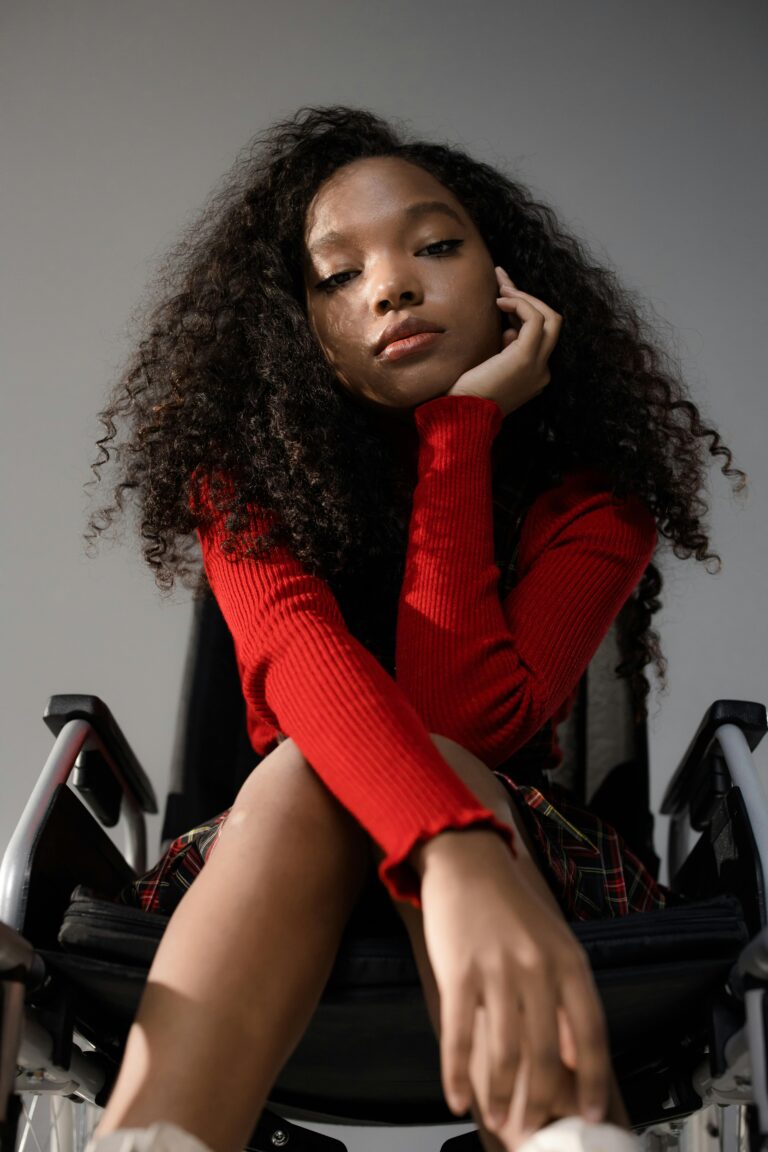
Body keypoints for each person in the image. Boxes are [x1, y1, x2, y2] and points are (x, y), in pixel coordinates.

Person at [83, 104, 748, 1152]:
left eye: (436, 246)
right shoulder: (244, 488)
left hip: (531, 866)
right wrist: (450, 853)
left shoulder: (595, 503)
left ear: (510, 285)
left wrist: (459, 434)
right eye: (337, 276)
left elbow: (461, 719)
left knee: (390, 754)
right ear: (295, 331)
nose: (391, 284)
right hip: (274, 866)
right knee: (309, 767)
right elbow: (313, 673)